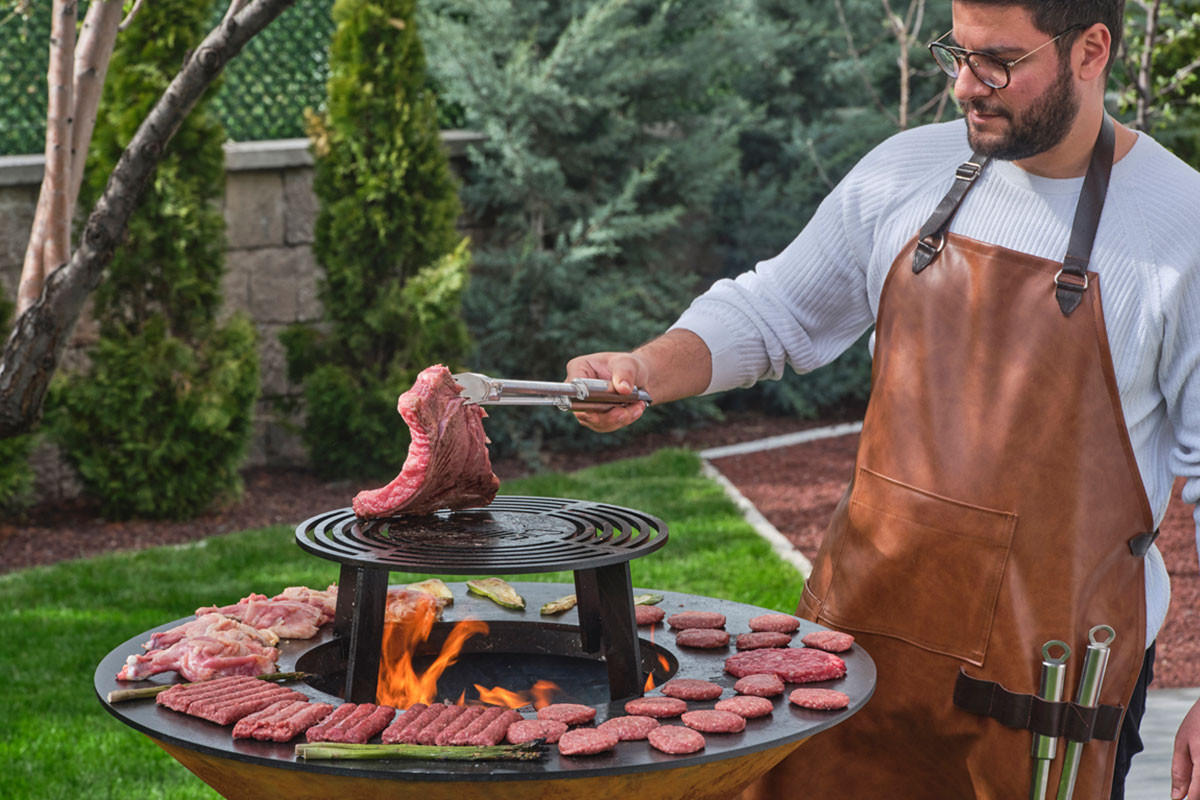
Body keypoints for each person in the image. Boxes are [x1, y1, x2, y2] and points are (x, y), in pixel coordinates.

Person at [566, 1, 1200, 798]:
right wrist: (646, 366)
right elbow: (775, 311)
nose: (968, 85)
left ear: (1091, 50)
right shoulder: (907, 169)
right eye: (956, 53)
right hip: (853, 649)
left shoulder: (1183, 226)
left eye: (999, 60)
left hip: (1043, 686)